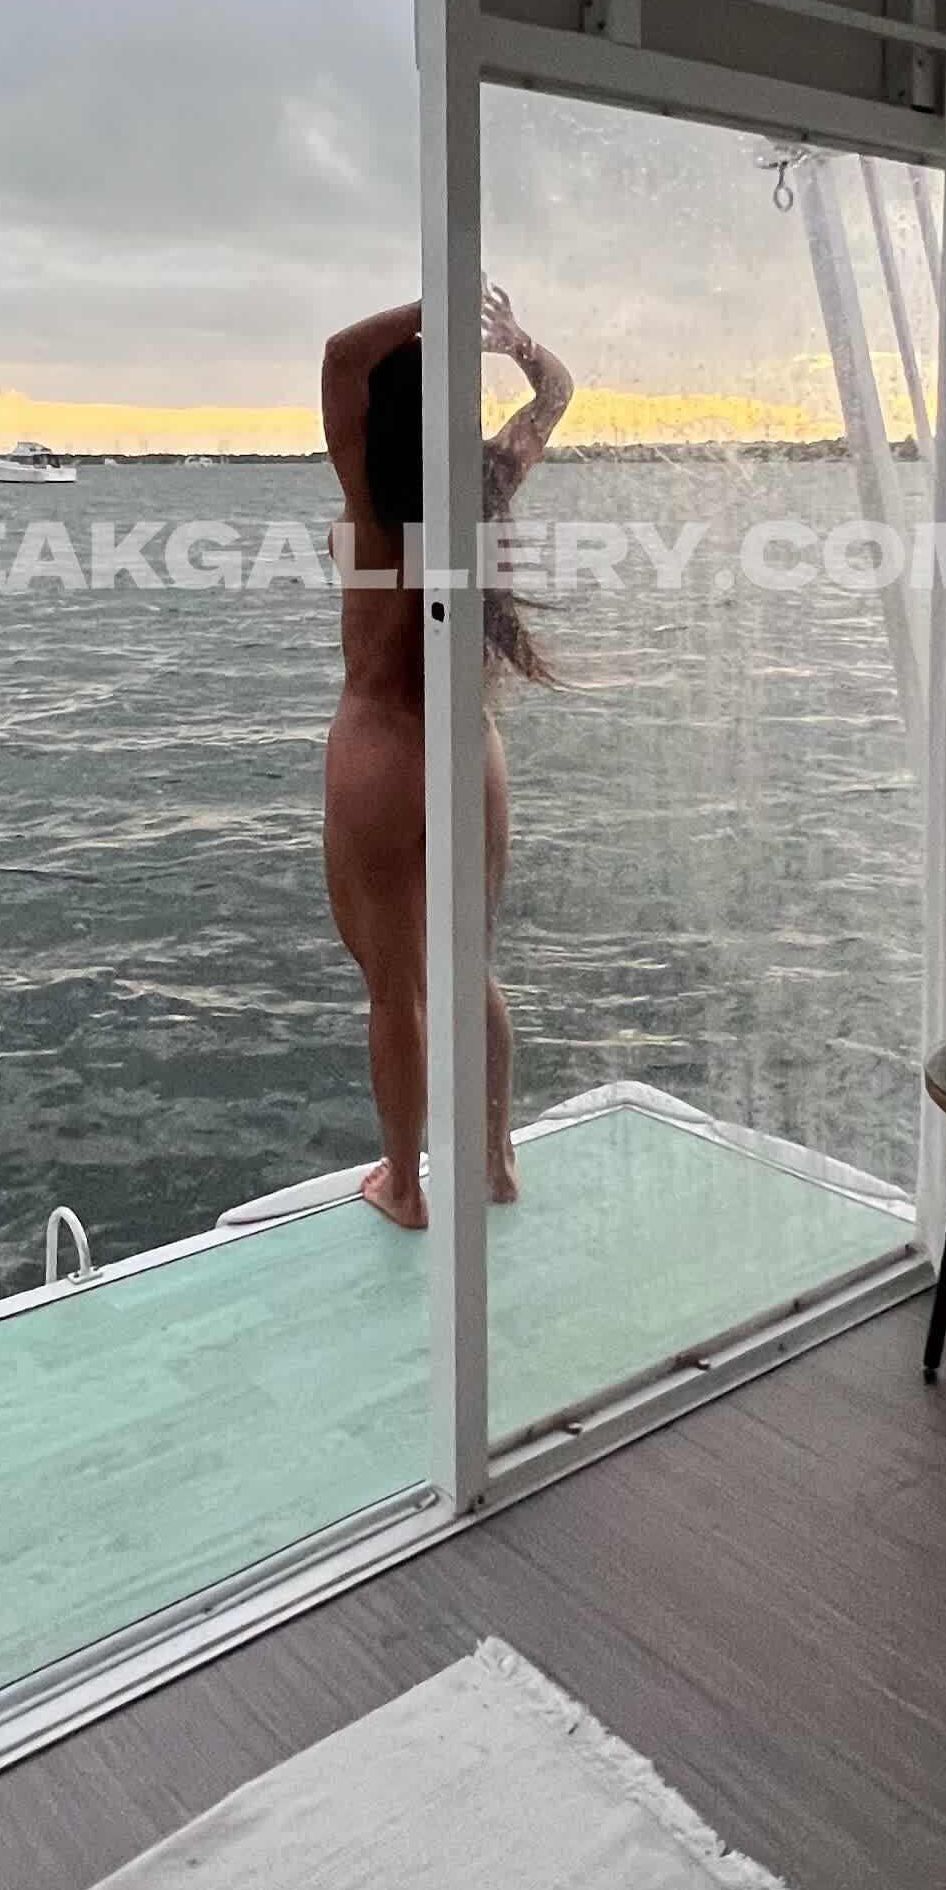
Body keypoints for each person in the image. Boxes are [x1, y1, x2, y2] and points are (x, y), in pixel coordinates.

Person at [318, 282, 573, 1229]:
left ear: (384, 409)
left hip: (381, 749)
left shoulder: (369, 498)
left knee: (398, 990)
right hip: (470, 747)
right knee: (471, 967)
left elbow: (341, 355)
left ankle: (406, 1184)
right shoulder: (484, 486)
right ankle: (496, 1162)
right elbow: (558, 394)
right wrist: (512, 341)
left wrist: (436, 300)